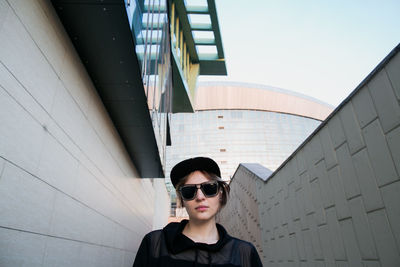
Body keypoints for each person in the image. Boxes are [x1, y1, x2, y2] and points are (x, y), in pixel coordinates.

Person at [133, 157, 263, 267]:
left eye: (209, 188)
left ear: (221, 195)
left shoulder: (244, 253)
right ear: (182, 200)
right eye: (189, 191)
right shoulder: (155, 244)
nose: (200, 197)